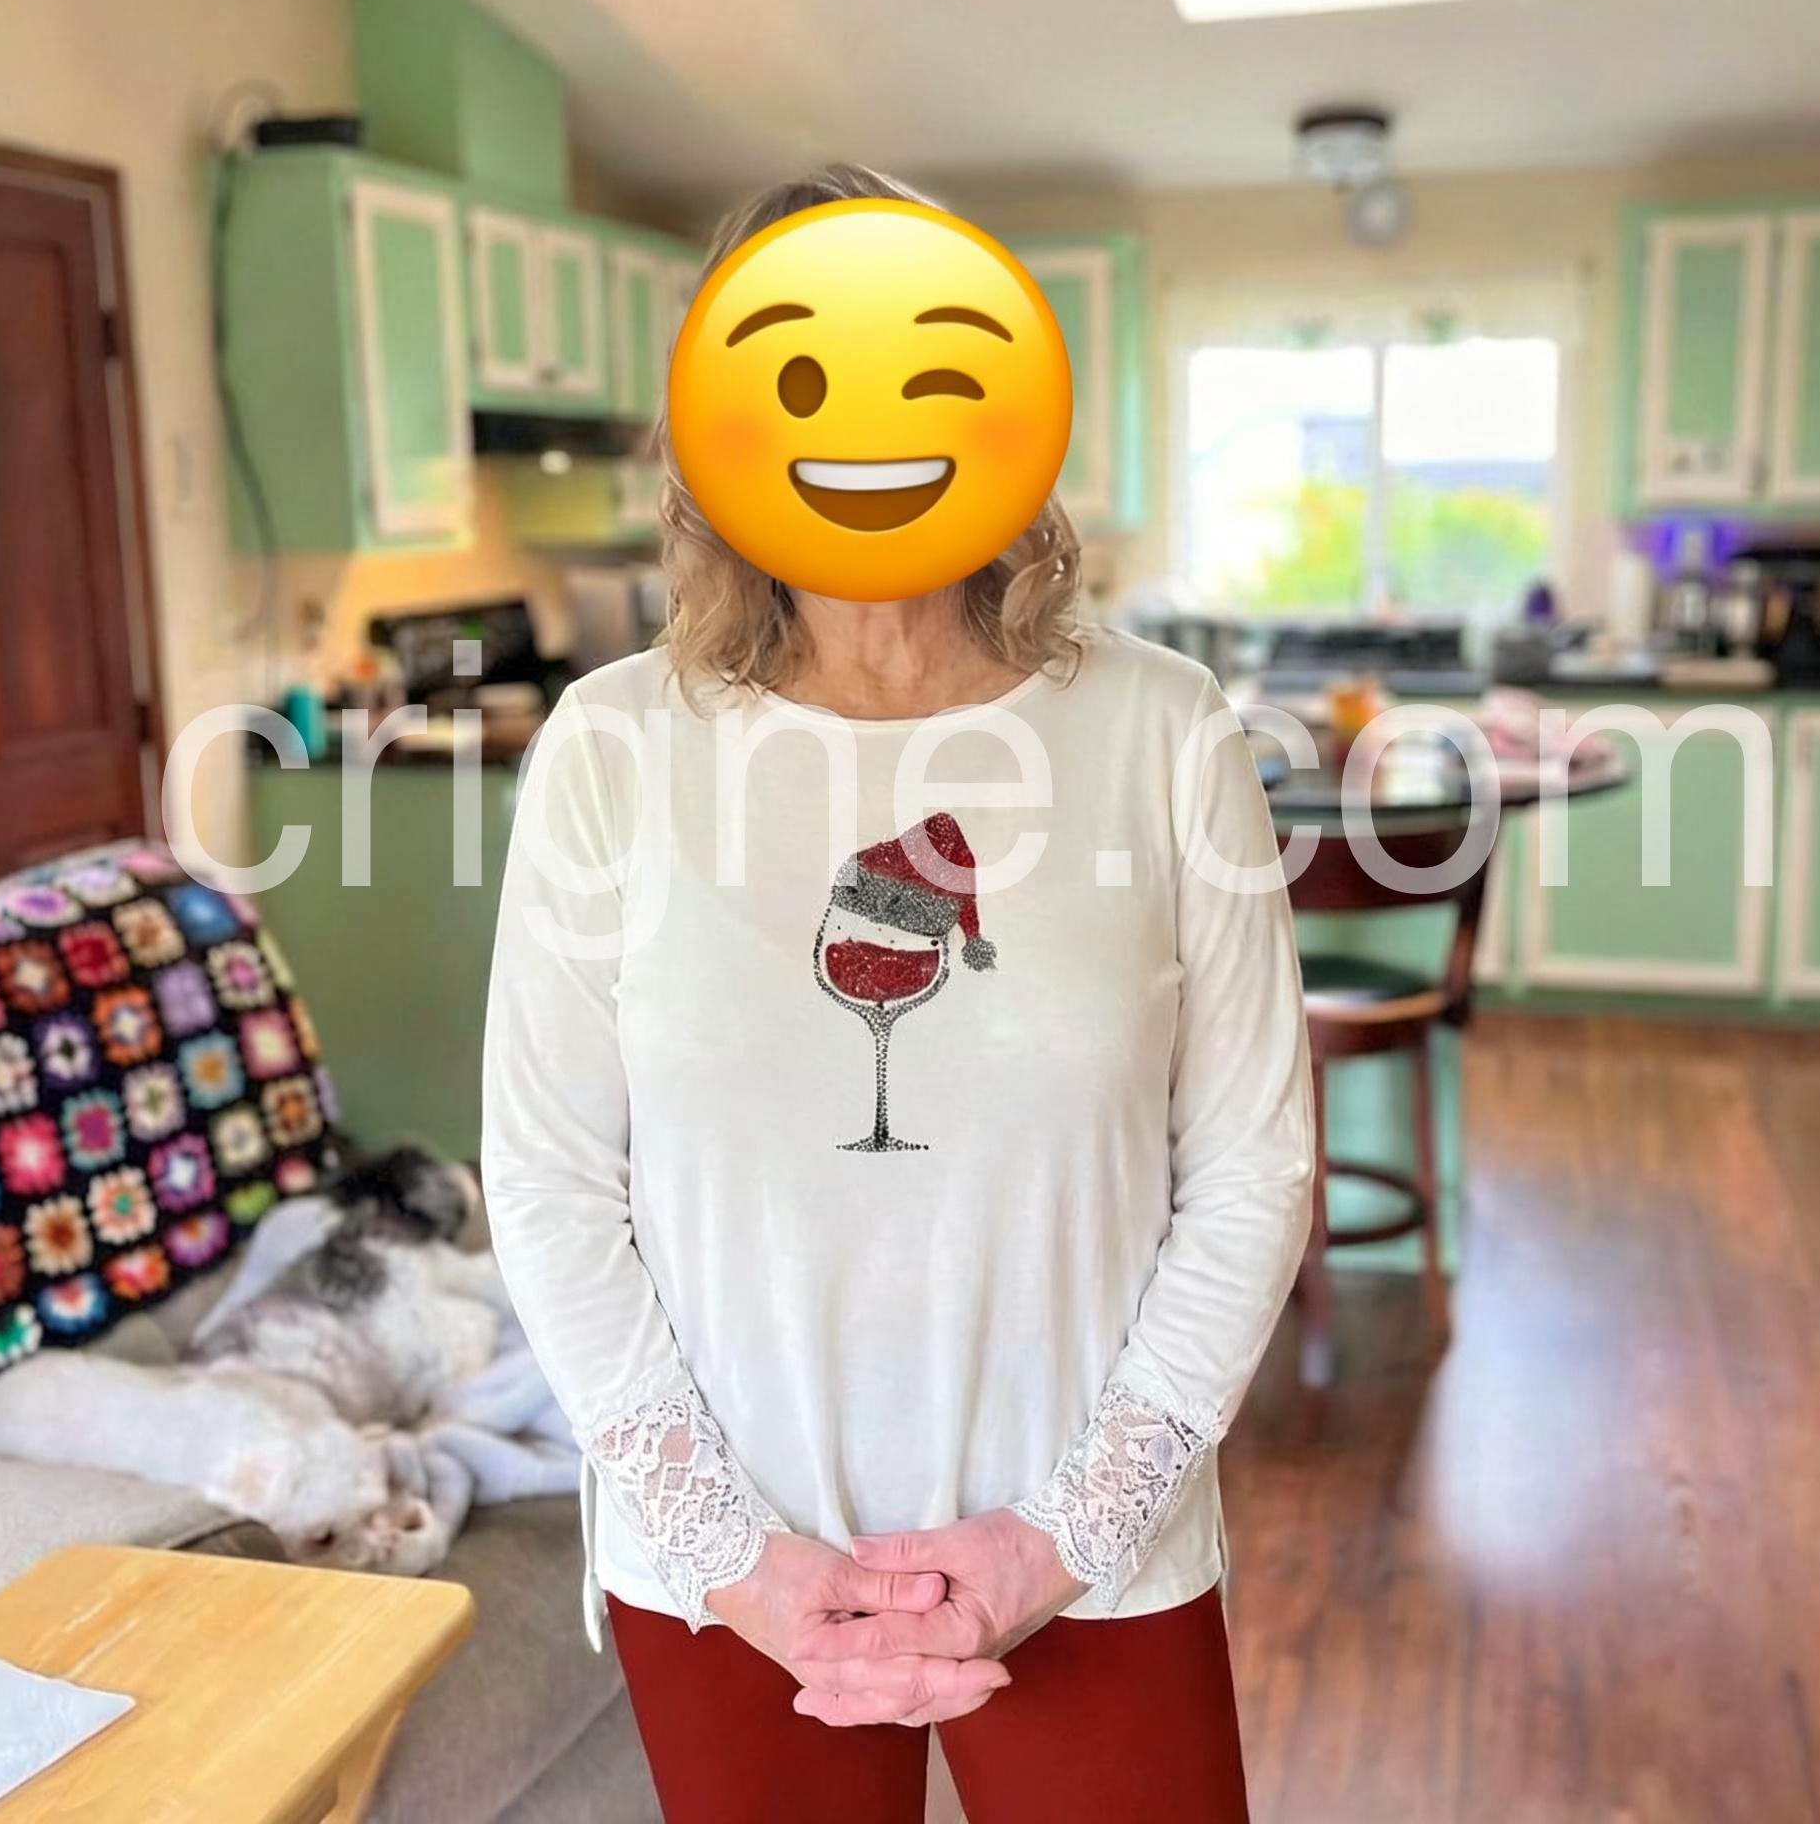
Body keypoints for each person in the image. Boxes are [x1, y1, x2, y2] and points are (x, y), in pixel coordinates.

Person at [481, 165, 1317, 1824]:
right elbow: (551, 1177)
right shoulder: (612, 743)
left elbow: (1253, 1165)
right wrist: (735, 1557)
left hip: (1094, 1556)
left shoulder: (1163, 727)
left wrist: (1060, 1539)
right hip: (731, 1574)